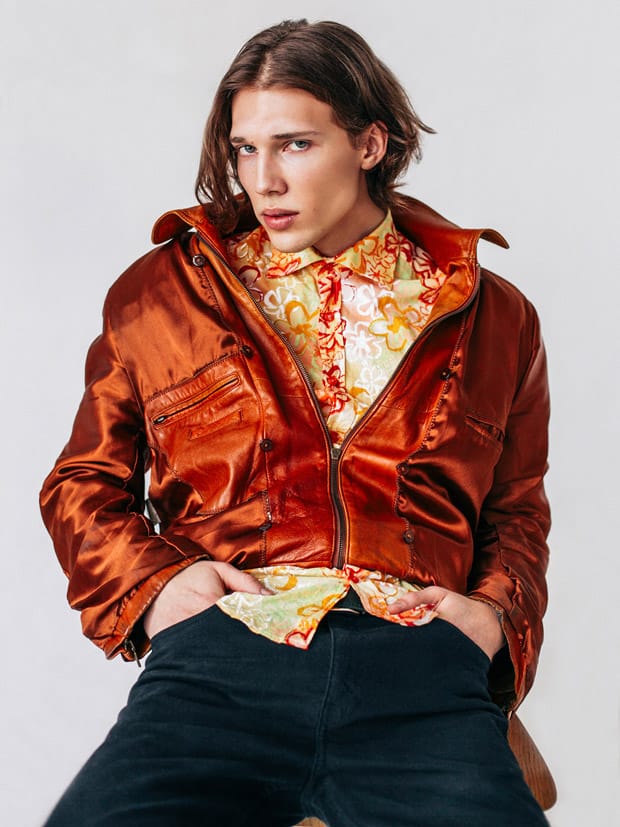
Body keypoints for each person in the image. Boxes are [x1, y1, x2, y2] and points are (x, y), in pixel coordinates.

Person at [40, 18, 551, 827]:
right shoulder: (163, 294)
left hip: (419, 667)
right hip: (225, 656)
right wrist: (159, 586)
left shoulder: (494, 315)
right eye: (245, 149)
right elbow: (83, 483)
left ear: (370, 143)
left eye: (295, 145)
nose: (262, 179)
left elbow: (517, 509)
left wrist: (492, 618)